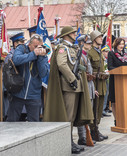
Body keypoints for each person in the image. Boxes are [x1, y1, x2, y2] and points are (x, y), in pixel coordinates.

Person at [43, 26, 94, 154]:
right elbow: (62, 64)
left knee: (72, 116)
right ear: (66, 35)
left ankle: (70, 141)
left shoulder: (73, 48)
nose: (75, 34)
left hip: (76, 86)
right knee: (68, 117)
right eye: (73, 33)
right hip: (69, 86)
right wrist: (72, 79)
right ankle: (67, 142)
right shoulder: (62, 48)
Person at [7, 34, 49, 122]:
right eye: (35, 46)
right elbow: (16, 60)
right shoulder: (22, 48)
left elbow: (43, 74)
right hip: (18, 92)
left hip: (34, 95)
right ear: (29, 44)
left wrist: (41, 57)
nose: (38, 48)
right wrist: (33, 54)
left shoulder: (43, 55)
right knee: (11, 121)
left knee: (34, 123)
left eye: (40, 46)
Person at [88, 30, 109, 141]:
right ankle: (93, 132)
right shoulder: (90, 52)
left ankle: (96, 129)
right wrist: (100, 75)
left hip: (102, 85)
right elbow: (88, 71)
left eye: (101, 36)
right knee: (94, 110)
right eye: (99, 37)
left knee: (99, 110)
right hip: (94, 85)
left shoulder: (100, 52)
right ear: (94, 39)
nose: (101, 38)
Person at [108, 38, 127, 125]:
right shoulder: (111, 53)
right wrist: (121, 70)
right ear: (116, 44)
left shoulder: (126, 53)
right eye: (120, 44)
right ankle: (116, 119)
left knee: (125, 100)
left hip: (125, 80)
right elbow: (110, 67)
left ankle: (126, 118)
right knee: (115, 101)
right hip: (115, 80)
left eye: (123, 44)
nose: (121, 46)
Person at [101, 46, 111, 117]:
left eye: (108, 52)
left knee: (106, 94)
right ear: (102, 52)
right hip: (102, 79)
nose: (107, 53)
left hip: (107, 79)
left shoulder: (107, 59)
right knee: (103, 95)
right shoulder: (102, 59)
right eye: (106, 51)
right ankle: (101, 110)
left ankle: (104, 109)